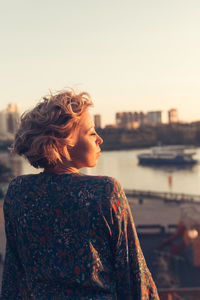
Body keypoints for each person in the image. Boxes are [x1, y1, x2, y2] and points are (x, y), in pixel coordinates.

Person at [1, 89, 159, 299]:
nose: (100, 139)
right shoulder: (105, 191)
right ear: (63, 141)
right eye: (92, 132)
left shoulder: (17, 191)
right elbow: (133, 272)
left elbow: (13, 274)